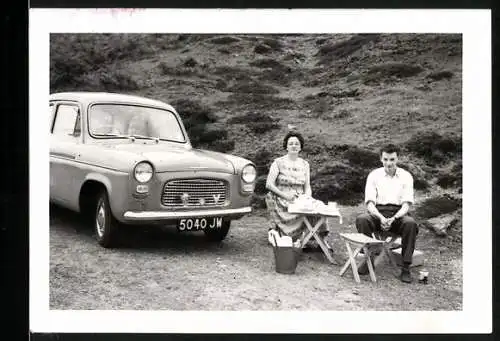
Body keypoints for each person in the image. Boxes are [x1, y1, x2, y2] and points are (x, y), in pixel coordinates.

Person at [355, 143, 418, 283]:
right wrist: (381, 217)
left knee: (410, 224)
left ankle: (406, 267)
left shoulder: (406, 176)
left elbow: (406, 204)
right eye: (385, 159)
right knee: (362, 219)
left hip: (399, 213)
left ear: (398, 159)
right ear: (380, 159)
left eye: (392, 159)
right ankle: (368, 259)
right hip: (378, 212)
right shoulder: (374, 175)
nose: (388, 163)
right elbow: (370, 203)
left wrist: (395, 218)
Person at [265, 130, 330, 250]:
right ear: (286, 146)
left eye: (296, 143)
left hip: (300, 197)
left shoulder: (305, 164)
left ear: (300, 147)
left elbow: (307, 186)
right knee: (296, 208)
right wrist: (285, 196)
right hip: (282, 197)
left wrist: (307, 198)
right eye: (291, 144)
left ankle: (320, 238)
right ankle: (291, 236)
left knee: (319, 207)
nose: (294, 146)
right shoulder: (278, 162)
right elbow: (269, 184)